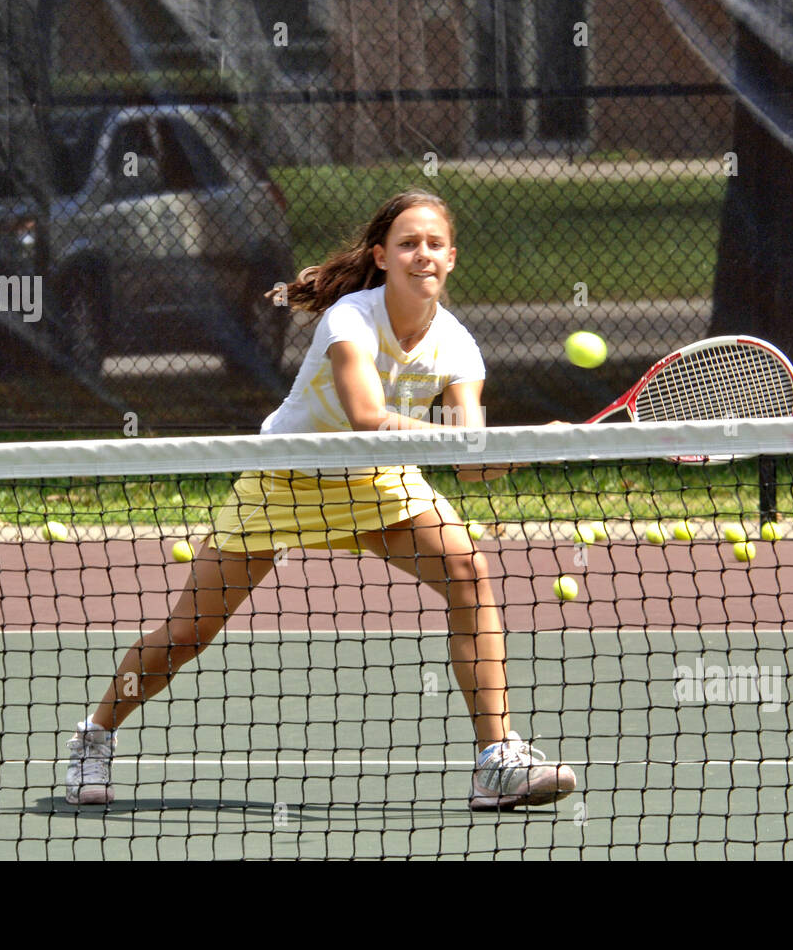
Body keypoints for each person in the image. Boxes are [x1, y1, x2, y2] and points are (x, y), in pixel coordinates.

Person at [66, 190, 576, 811]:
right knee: (188, 633)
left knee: (468, 570)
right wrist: (484, 441)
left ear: (451, 258)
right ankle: (95, 734)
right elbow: (367, 416)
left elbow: (469, 460)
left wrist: (530, 448)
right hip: (287, 482)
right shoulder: (350, 319)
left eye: (435, 244)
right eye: (408, 243)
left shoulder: (457, 345)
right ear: (382, 257)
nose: (423, 255)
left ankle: (495, 760)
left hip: (378, 485)